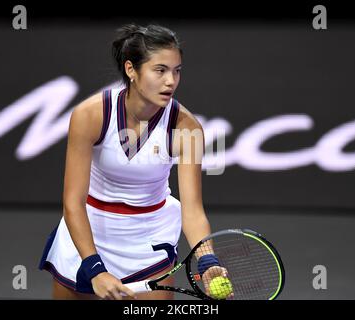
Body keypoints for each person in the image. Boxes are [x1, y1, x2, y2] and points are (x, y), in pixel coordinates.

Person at [39, 23, 225, 300]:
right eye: (160, 70)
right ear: (131, 70)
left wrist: (207, 261)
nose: (171, 81)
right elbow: (72, 202)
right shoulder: (90, 115)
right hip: (89, 233)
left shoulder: (187, 128)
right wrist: (94, 267)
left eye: (177, 71)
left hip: (147, 241)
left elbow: (193, 211)